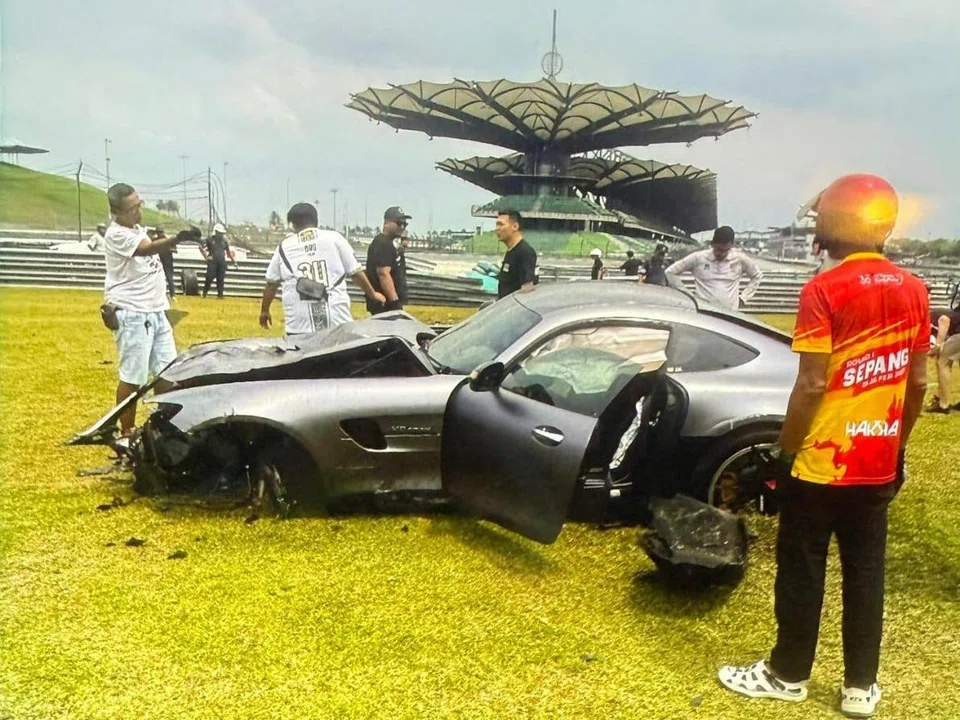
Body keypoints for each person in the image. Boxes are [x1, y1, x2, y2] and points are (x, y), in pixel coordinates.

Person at [718, 174, 930, 719]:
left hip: (820, 462)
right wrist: (895, 447)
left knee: (803, 566)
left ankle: (787, 674)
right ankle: (860, 688)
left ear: (834, 224)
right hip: (876, 461)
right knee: (865, 571)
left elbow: (812, 384)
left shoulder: (823, 290)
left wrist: (783, 456)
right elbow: (918, 384)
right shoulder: (915, 289)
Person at [102, 183, 199, 441]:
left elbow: (149, 246)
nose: (138, 211)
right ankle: (126, 432)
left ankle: (167, 426)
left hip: (156, 311)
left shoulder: (136, 228)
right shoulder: (116, 234)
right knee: (133, 377)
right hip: (133, 312)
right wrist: (177, 239)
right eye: (132, 208)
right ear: (116, 212)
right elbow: (145, 250)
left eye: (138, 205)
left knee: (168, 373)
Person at [260, 203, 385, 335]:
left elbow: (271, 283)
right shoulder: (335, 238)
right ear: (316, 220)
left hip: (299, 324)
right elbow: (355, 273)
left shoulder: (284, 247)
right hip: (336, 318)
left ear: (292, 224)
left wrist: (264, 310)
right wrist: (372, 294)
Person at [664, 226, 763, 309]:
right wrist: (685, 293)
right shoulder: (698, 257)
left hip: (731, 313)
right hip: (704, 311)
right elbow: (670, 272)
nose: (722, 254)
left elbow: (757, 275)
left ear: (732, 245)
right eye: (719, 249)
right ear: (712, 244)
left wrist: (744, 298)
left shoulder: (740, 259)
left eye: (726, 250)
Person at [365, 207, 410, 315]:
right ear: (387, 223)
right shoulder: (382, 243)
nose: (402, 227)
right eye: (399, 223)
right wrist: (395, 303)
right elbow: (383, 274)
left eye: (405, 224)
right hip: (385, 305)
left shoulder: (390, 243)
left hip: (389, 304)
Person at [495, 209, 538, 298]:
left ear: (515, 226)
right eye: (496, 225)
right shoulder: (511, 251)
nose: (497, 229)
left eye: (501, 224)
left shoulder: (525, 253)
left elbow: (527, 289)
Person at [927, 302, 960, 413]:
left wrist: (937, 346)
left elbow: (944, 321)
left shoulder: (930, 315)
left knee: (942, 363)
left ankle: (943, 404)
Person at [201, 222, 236, 299]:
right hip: (212, 262)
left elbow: (228, 252)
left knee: (220, 278)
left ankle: (220, 295)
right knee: (209, 277)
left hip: (222, 262)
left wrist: (234, 262)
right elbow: (202, 248)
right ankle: (204, 292)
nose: (221, 235)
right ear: (216, 232)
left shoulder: (224, 241)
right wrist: (206, 257)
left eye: (222, 233)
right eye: (219, 233)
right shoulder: (209, 240)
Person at [151, 227, 177, 299]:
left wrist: (166, 248)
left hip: (167, 261)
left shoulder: (169, 241)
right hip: (158, 261)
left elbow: (175, 250)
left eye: (161, 232)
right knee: (155, 277)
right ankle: (155, 293)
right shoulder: (155, 240)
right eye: (159, 232)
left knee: (169, 278)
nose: (160, 234)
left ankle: (173, 294)